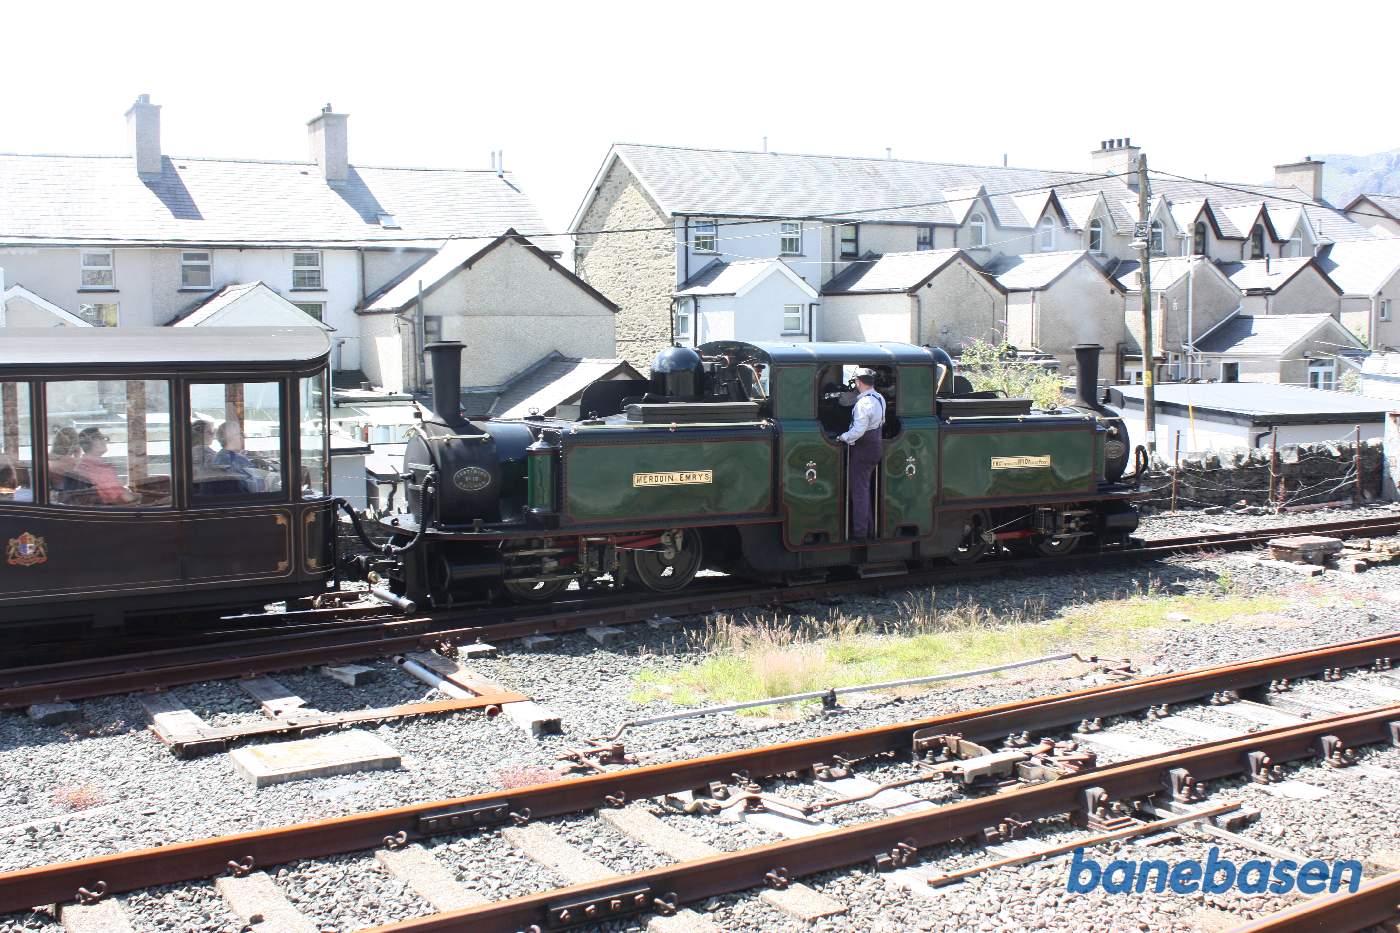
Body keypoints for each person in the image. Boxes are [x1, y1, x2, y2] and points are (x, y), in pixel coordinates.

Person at [837, 370, 886, 541]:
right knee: (863, 489)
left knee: (859, 491)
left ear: (858, 382)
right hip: (875, 445)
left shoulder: (864, 403)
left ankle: (860, 532)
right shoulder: (879, 398)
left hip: (864, 448)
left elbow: (858, 430)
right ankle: (869, 528)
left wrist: (843, 437)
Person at [74, 427, 137, 504]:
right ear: (88, 443)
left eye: (104, 438)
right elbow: (114, 497)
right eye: (100, 438)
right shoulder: (91, 468)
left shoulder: (94, 466)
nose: (104, 442)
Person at [212, 421, 265, 493]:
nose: (243, 437)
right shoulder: (236, 460)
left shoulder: (219, 457)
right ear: (232, 436)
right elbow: (257, 486)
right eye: (240, 434)